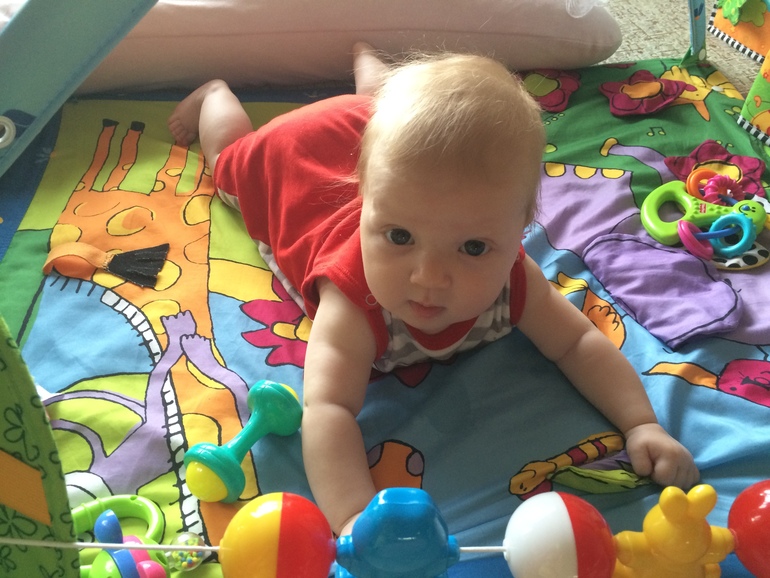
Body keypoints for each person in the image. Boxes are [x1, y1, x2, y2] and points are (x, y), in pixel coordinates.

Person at [169, 43, 699, 537]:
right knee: (229, 161)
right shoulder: (352, 302)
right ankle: (214, 95)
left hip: (382, 141)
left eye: (472, 247)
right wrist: (353, 518)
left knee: (382, 110)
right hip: (293, 159)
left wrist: (641, 424)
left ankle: (371, 72)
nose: (428, 278)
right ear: (366, 200)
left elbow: (577, 343)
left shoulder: (513, 277)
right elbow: (328, 409)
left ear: (521, 230)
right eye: (399, 237)